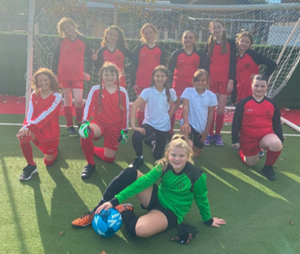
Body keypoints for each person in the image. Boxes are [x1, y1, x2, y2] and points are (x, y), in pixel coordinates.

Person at [71, 134, 226, 239]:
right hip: (156, 198)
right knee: (130, 172)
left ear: (188, 156)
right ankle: (94, 213)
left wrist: (208, 220)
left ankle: (124, 211)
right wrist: (114, 201)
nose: (177, 159)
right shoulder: (163, 166)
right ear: (167, 154)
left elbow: (201, 199)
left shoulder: (196, 176)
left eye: (181, 156)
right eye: (173, 155)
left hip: (171, 213)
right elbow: (141, 182)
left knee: (138, 231)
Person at [78, 62, 129, 179]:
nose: (109, 77)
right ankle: (90, 163)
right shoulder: (95, 89)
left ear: (118, 76)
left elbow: (125, 112)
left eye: (112, 74)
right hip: (99, 124)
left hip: (114, 127)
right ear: (101, 76)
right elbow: (88, 106)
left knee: (109, 159)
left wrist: (124, 130)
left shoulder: (122, 91)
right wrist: (84, 122)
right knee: (86, 133)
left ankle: (90, 148)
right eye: (106, 74)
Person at [231, 74, 283, 180]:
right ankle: (243, 150)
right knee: (250, 163)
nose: (259, 89)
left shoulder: (272, 104)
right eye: (256, 86)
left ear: (267, 86)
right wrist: (235, 139)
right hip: (248, 138)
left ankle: (268, 167)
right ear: (252, 86)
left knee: (277, 144)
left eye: (262, 86)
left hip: (266, 135)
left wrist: (280, 138)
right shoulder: (243, 103)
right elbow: (236, 122)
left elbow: (277, 123)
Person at [129, 65, 180, 169]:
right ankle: (139, 157)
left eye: (162, 76)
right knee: (136, 136)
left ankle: (152, 142)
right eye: (157, 76)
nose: (160, 79)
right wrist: (134, 126)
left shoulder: (170, 92)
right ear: (153, 77)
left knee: (157, 156)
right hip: (149, 124)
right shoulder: (147, 91)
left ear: (166, 78)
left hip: (163, 126)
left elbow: (177, 103)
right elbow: (134, 106)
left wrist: (170, 114)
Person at [17, 68, 62, 181]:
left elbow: (46, 115)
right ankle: (31, 165)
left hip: (50, 133)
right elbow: (30, 112)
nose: (43, 83)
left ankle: (54, 150)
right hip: (36, 129)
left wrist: (28, 126)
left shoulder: (57, 96)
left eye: (45, 79)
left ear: (50, 80)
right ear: (36, 83)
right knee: (23, 137)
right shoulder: (34, 94)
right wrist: (25, 126)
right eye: (40, 81)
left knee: (48, 162)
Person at [52, 17, 92, 137]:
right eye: (64, 29)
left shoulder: (84, 40)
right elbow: (55, 57)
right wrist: (54, 73)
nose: (67, 30)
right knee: (68, 100)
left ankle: (79, 121)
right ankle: (69, 126)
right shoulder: (60, 41)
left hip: (78, 74)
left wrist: (87, 71)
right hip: (63, 74)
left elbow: (89, 57)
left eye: (68, 27)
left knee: (79, 100)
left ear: (73, 26)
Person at [204, 19, 237, 146]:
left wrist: (231, 80)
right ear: (210, 30)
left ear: (224, 28)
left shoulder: (231, 43)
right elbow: (206, 63)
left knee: (221, 110)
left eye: (219, 27)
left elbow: (233, 62)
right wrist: (206, 79)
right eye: (214, 28)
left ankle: (217, 134)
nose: (216, 30)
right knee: (210, 109)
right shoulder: (209, 43)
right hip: (211, 80)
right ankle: (209, 134)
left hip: (225, 81)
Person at [169, 30, 206, 138]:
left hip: (192, 88)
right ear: (182, 40)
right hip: (177, 86)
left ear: (195, 40)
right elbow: (170, 71)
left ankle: (186, 133)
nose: (188, 40)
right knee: (171, 108)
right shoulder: (176, 54)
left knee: (188, 110)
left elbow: (202, 73)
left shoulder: (199, 55)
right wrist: (169, 87)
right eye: (186, 37)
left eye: (190, 37)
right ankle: (169, 131)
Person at [130, 23, 167, 127]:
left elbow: (163, 68)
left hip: (156, 84)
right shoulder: (139, 48)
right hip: (141, 82)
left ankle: (152, 129)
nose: (149, 35)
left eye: (151, 32)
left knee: (153, 107)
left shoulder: (160, 49)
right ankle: (141, 129)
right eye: (146, 33)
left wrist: (164, 83)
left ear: (155, 33)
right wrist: (133, 82)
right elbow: (134, 66)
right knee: (141, 107)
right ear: (143, 35)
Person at [180, 69, 217, 158]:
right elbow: (185, 108)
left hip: (201, 127)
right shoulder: (188, 91)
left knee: (196, 155)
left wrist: (206, 131)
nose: (199, 82)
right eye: (197, 80)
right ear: (193, 81)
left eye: (202, 80)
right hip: (189, 124)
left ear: (207, 81)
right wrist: (186, 123)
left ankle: (190, 144)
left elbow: (211, 115)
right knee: (185, 131)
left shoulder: (211, 96)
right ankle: (183, 141)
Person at [235, 31, 277, 103]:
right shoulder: (235, 55)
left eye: (247, 42)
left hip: (252, 87)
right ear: (238, 41)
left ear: (250, 45)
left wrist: (262, 76)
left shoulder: (253, 54)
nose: (244, 44)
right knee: (240, 110)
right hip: (240, 88)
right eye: (242, 41)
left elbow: (272, 64)